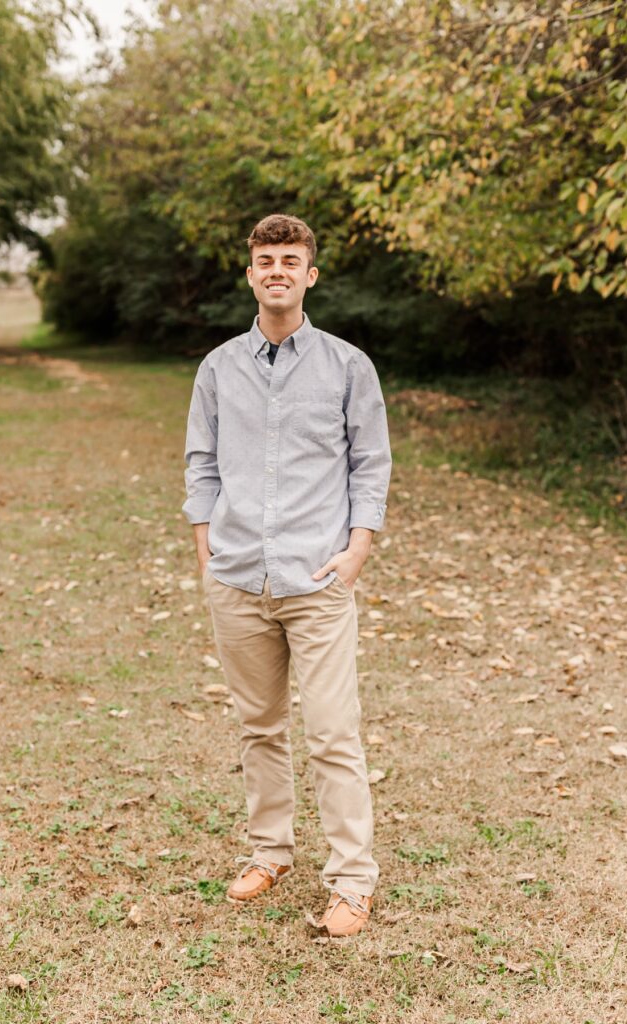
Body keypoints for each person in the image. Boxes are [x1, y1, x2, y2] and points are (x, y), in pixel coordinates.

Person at [182, 213, 391, 937]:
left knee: (333, 735)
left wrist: (358, 547)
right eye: (264, 259)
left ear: (310, 274)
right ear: (250, 274)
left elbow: (370, 465)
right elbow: (201, 462)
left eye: (289, 259)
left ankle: (351, 882)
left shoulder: (346, 367)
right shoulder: (218, 368)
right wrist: (205, 545)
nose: (276, 269)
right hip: (237, 579)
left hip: (317, 581)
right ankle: (269, 853)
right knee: (258, 727)